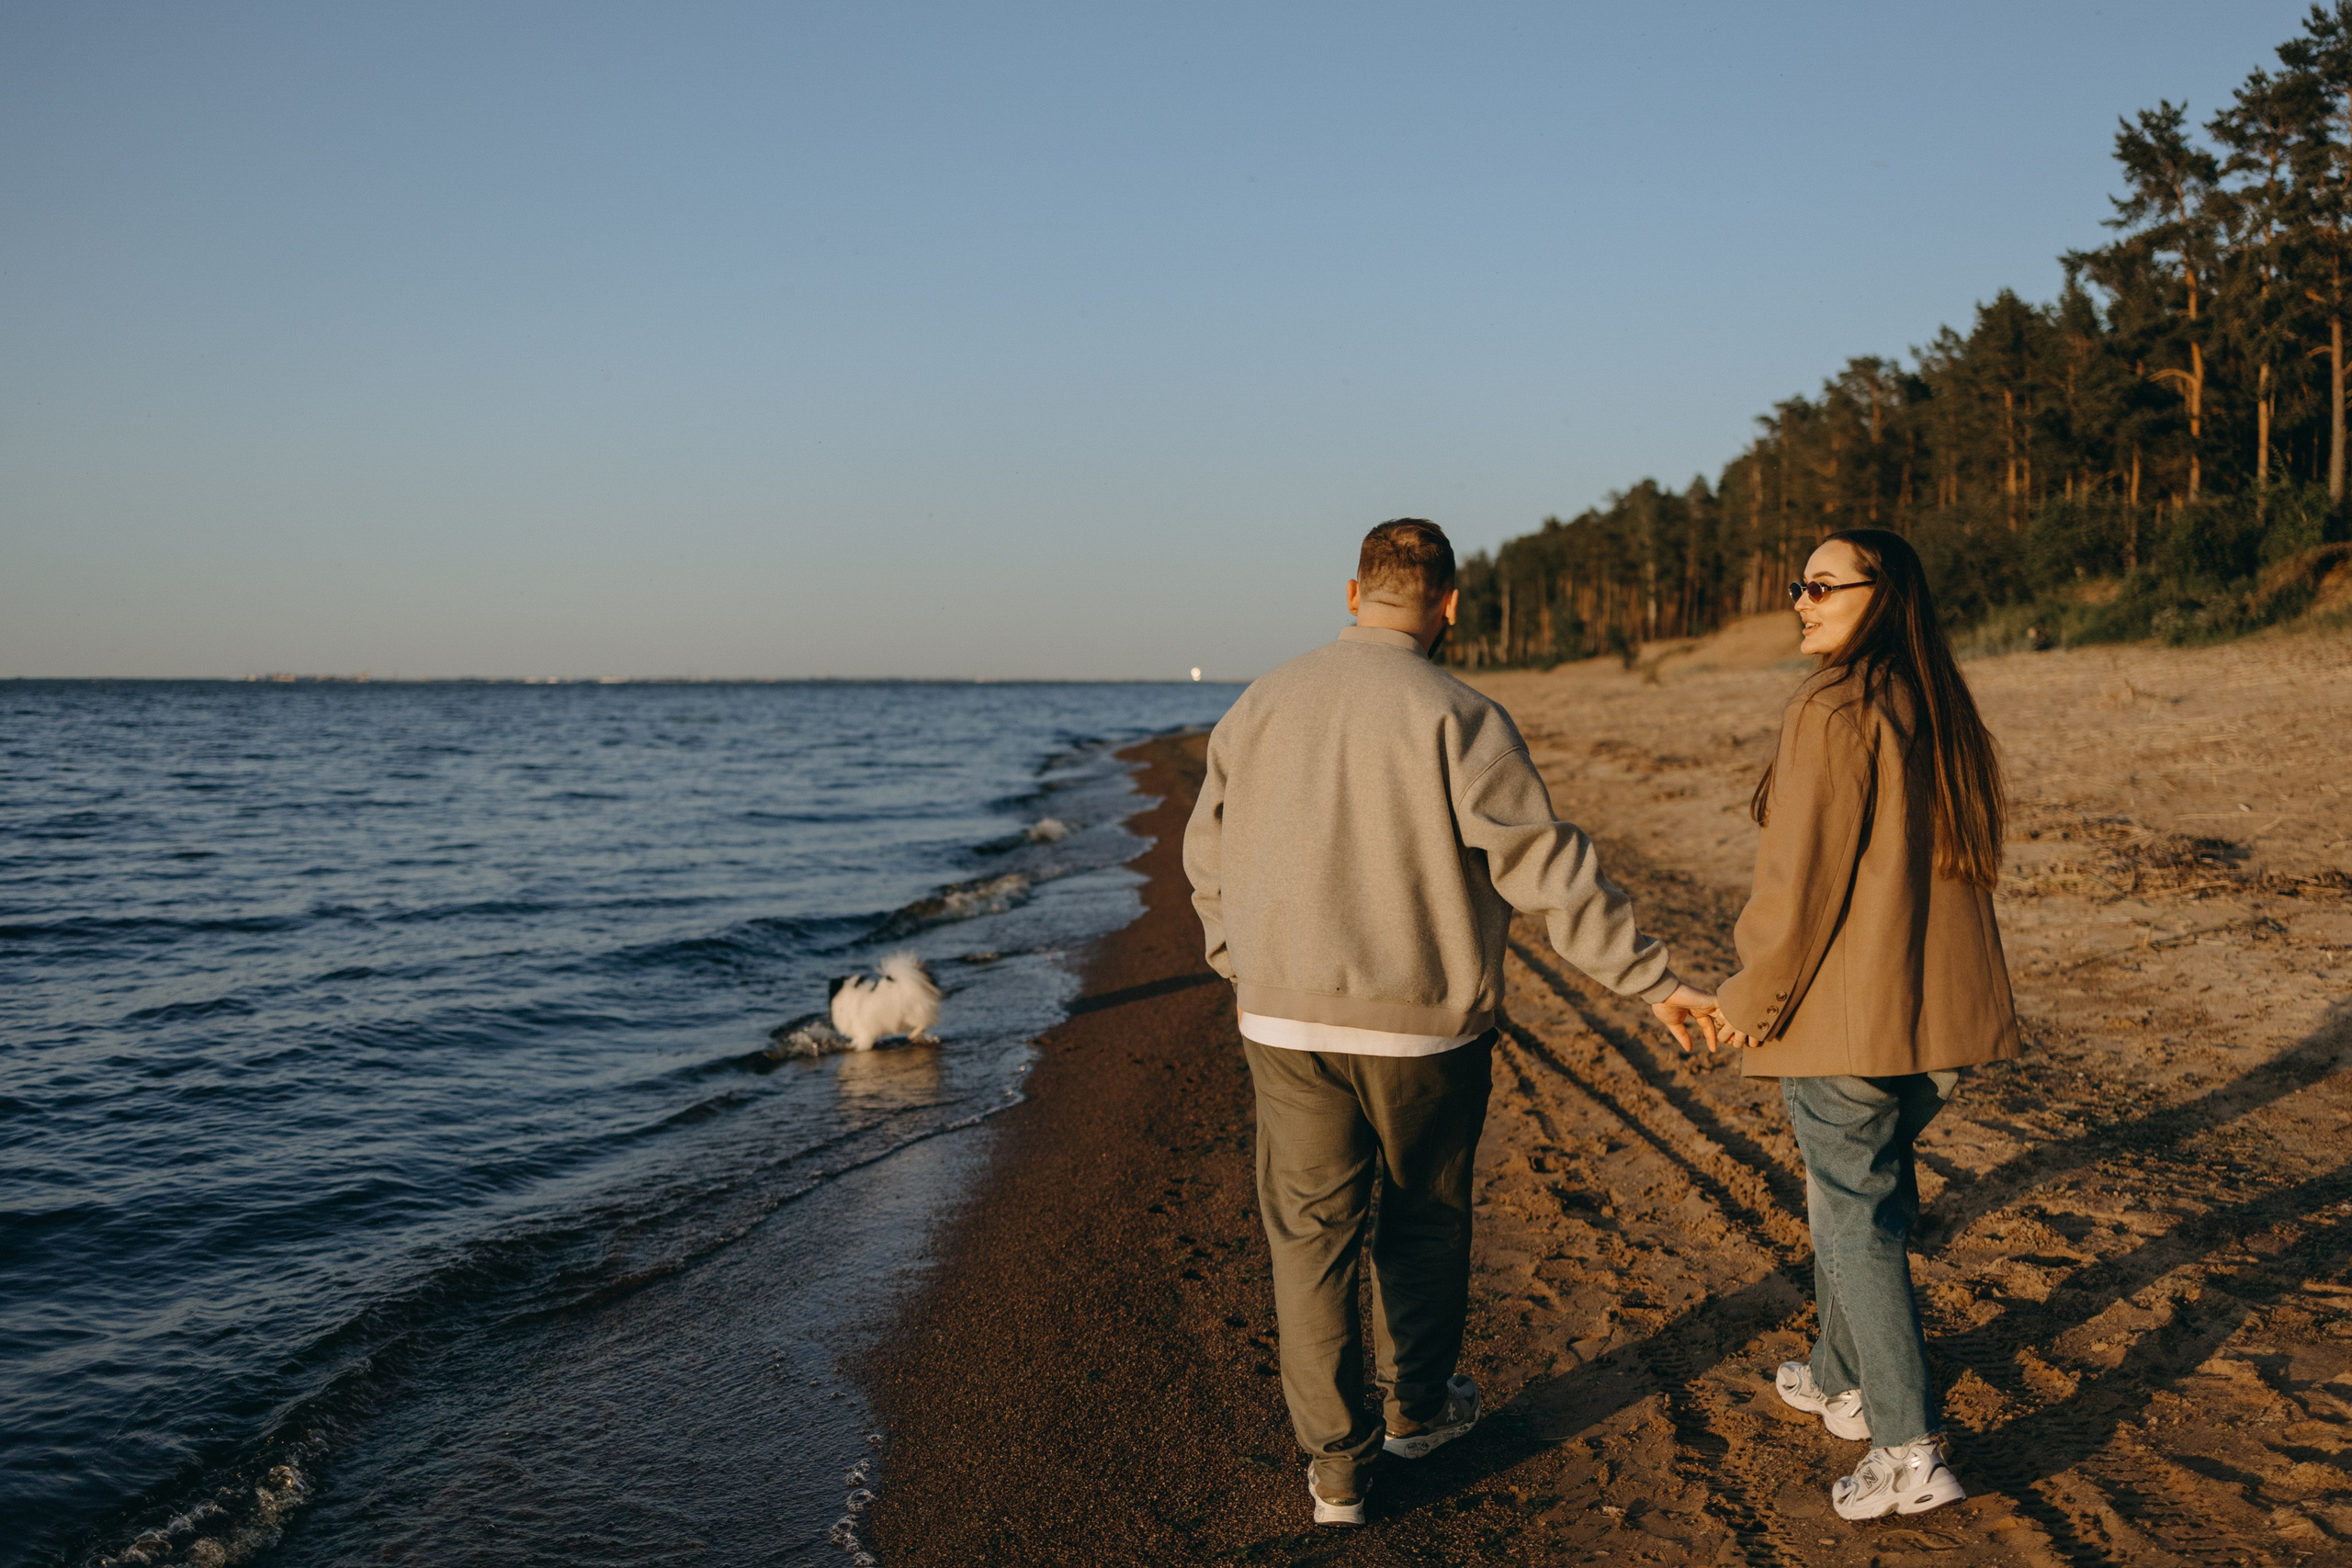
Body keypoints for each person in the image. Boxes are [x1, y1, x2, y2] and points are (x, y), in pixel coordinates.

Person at [1182, 519, 1720, 1527]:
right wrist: (1651, 981)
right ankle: (1418, 1412)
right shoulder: (1462, 713)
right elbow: (1546, 869)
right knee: (1422, 1220)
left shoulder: (1261, 703)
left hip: (1285, 1020)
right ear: (1451, 605)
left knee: (1309, 1240)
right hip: (1426, 1028)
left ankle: (1336, 1473)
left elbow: (1204, 852)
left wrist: (1236, 960)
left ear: (1353, 595)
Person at [1709, 527, 2019, 1521]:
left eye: (1822, 585)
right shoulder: (1930, 699)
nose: (1800, 600)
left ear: (1883, 594)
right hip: (1929, 1026)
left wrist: (1747, 1000)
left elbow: (1798, 885)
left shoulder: (1833, 704)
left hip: (1846, 1018)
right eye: (1796, 585)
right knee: (1857, 1198)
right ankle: (1840, 1376)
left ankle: (1906, 1446)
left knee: (1853, 1220)